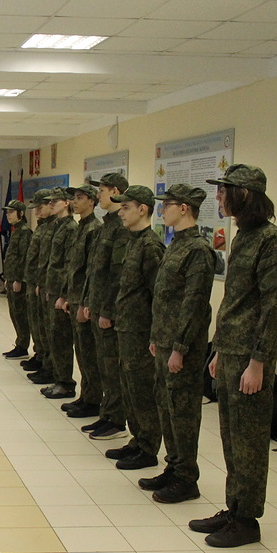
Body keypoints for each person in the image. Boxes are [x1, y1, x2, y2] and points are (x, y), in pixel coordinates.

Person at [190, 164, 277, 548]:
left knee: (249, 441)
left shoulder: (271, 241)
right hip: (231, 351)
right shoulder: (244, 236)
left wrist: (258, 362)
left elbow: (272, 308)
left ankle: (247, 520)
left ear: (244, 194)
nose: (218, 197)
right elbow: (234, 302)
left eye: (224, 190)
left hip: (251, 357)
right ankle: (234, 507)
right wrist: (218, 349)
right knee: (231, 438)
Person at [143, 184, 215, 503]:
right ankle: (173, 467)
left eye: (167, 205)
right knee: (166, 405)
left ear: (184, 208)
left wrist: (179, 348)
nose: (162, 210)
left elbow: (194, 304)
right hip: (165, 340)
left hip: (182, 347)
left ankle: (186, 478)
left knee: (183, 410)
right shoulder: (176, 244)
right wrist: (156, 337)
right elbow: (164, 297)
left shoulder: (198, 250)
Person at [105, 185, 165, 470]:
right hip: (126, 327)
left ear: (143, 209)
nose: (121, 213)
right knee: (129, 387)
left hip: (141, 331)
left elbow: (158, 295)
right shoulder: (133, 242)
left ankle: (148, 447)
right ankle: (137, 439)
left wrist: (154, 334)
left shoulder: (151, 246)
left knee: (142, 390)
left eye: (126, 207)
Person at [80, 173, 131, 440]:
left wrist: (108, 310)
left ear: (115, 191)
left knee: (112, 367)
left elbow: (116, 275)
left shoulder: (121, 228)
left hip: (109, 311)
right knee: (103, 364)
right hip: (98, 306)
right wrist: (89, 301)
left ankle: (116, 420)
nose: (98, 195)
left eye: (101, 191)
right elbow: (94, 270)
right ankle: (107, 414)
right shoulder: (106, 226)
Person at [60, 184, 102, 418]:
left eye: (80, 198)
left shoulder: (94, 229)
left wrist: (84, 302)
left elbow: (90, 271)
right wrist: (68, 295)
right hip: (75, 297)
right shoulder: (80, 228)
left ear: (92, 201)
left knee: (89, 354)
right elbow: (72, 268)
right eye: (74, 198)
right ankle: (86, 396)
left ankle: (93, 400)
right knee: (82, 352)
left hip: (84, 301)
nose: (75, 202)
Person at [40, 188, 78, 399]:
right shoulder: (58, 226)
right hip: (52, 289)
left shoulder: (71, 228)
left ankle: (65, 382)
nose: (51, 204)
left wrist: (63, 294)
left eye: (55, 201)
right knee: (53, 336)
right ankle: (58, 378)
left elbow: (68, 264)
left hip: (60, 292)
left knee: (61, 339)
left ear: (66, 203)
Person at [23, 190, 54, 380]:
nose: (37, 212)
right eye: (36, 208)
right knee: (36, 323)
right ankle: (40, 355)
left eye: (40, 207)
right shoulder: (42, 227)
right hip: (35, 281)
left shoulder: (54, 228)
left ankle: (47, 363)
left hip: (43, 283)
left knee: (45, 327)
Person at [1, 200, 32, 359]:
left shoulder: (25, 232)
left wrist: (18, 279)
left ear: (21, 213)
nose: (8, 215)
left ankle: (23, 345)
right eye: (7, 212)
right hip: (12, 278)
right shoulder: (16, 231)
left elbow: (23, 257)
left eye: (11, 212)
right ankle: (19, 343)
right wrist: (8, 278)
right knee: (14, 313)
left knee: (20, 314)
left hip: (18, 280)